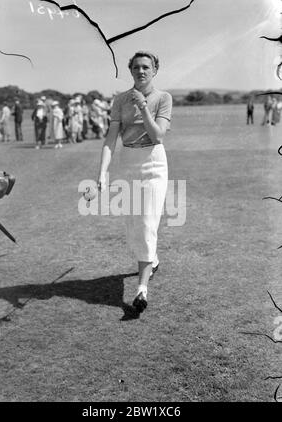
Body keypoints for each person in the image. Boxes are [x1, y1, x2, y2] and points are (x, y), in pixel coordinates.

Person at [97, 51, 172, 313]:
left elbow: (158, 134)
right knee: (133, 226)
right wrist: (103, 172)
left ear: (155, 70)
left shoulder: (163, 98)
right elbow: (110, 139)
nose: (141, 71)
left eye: (146, 67)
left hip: (153, 161)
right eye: (136, 67)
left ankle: (141, 290)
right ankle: (152, 259)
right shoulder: (119, 99)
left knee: (147, 222)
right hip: (128, 162)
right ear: (130, 70)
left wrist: (142, 106)